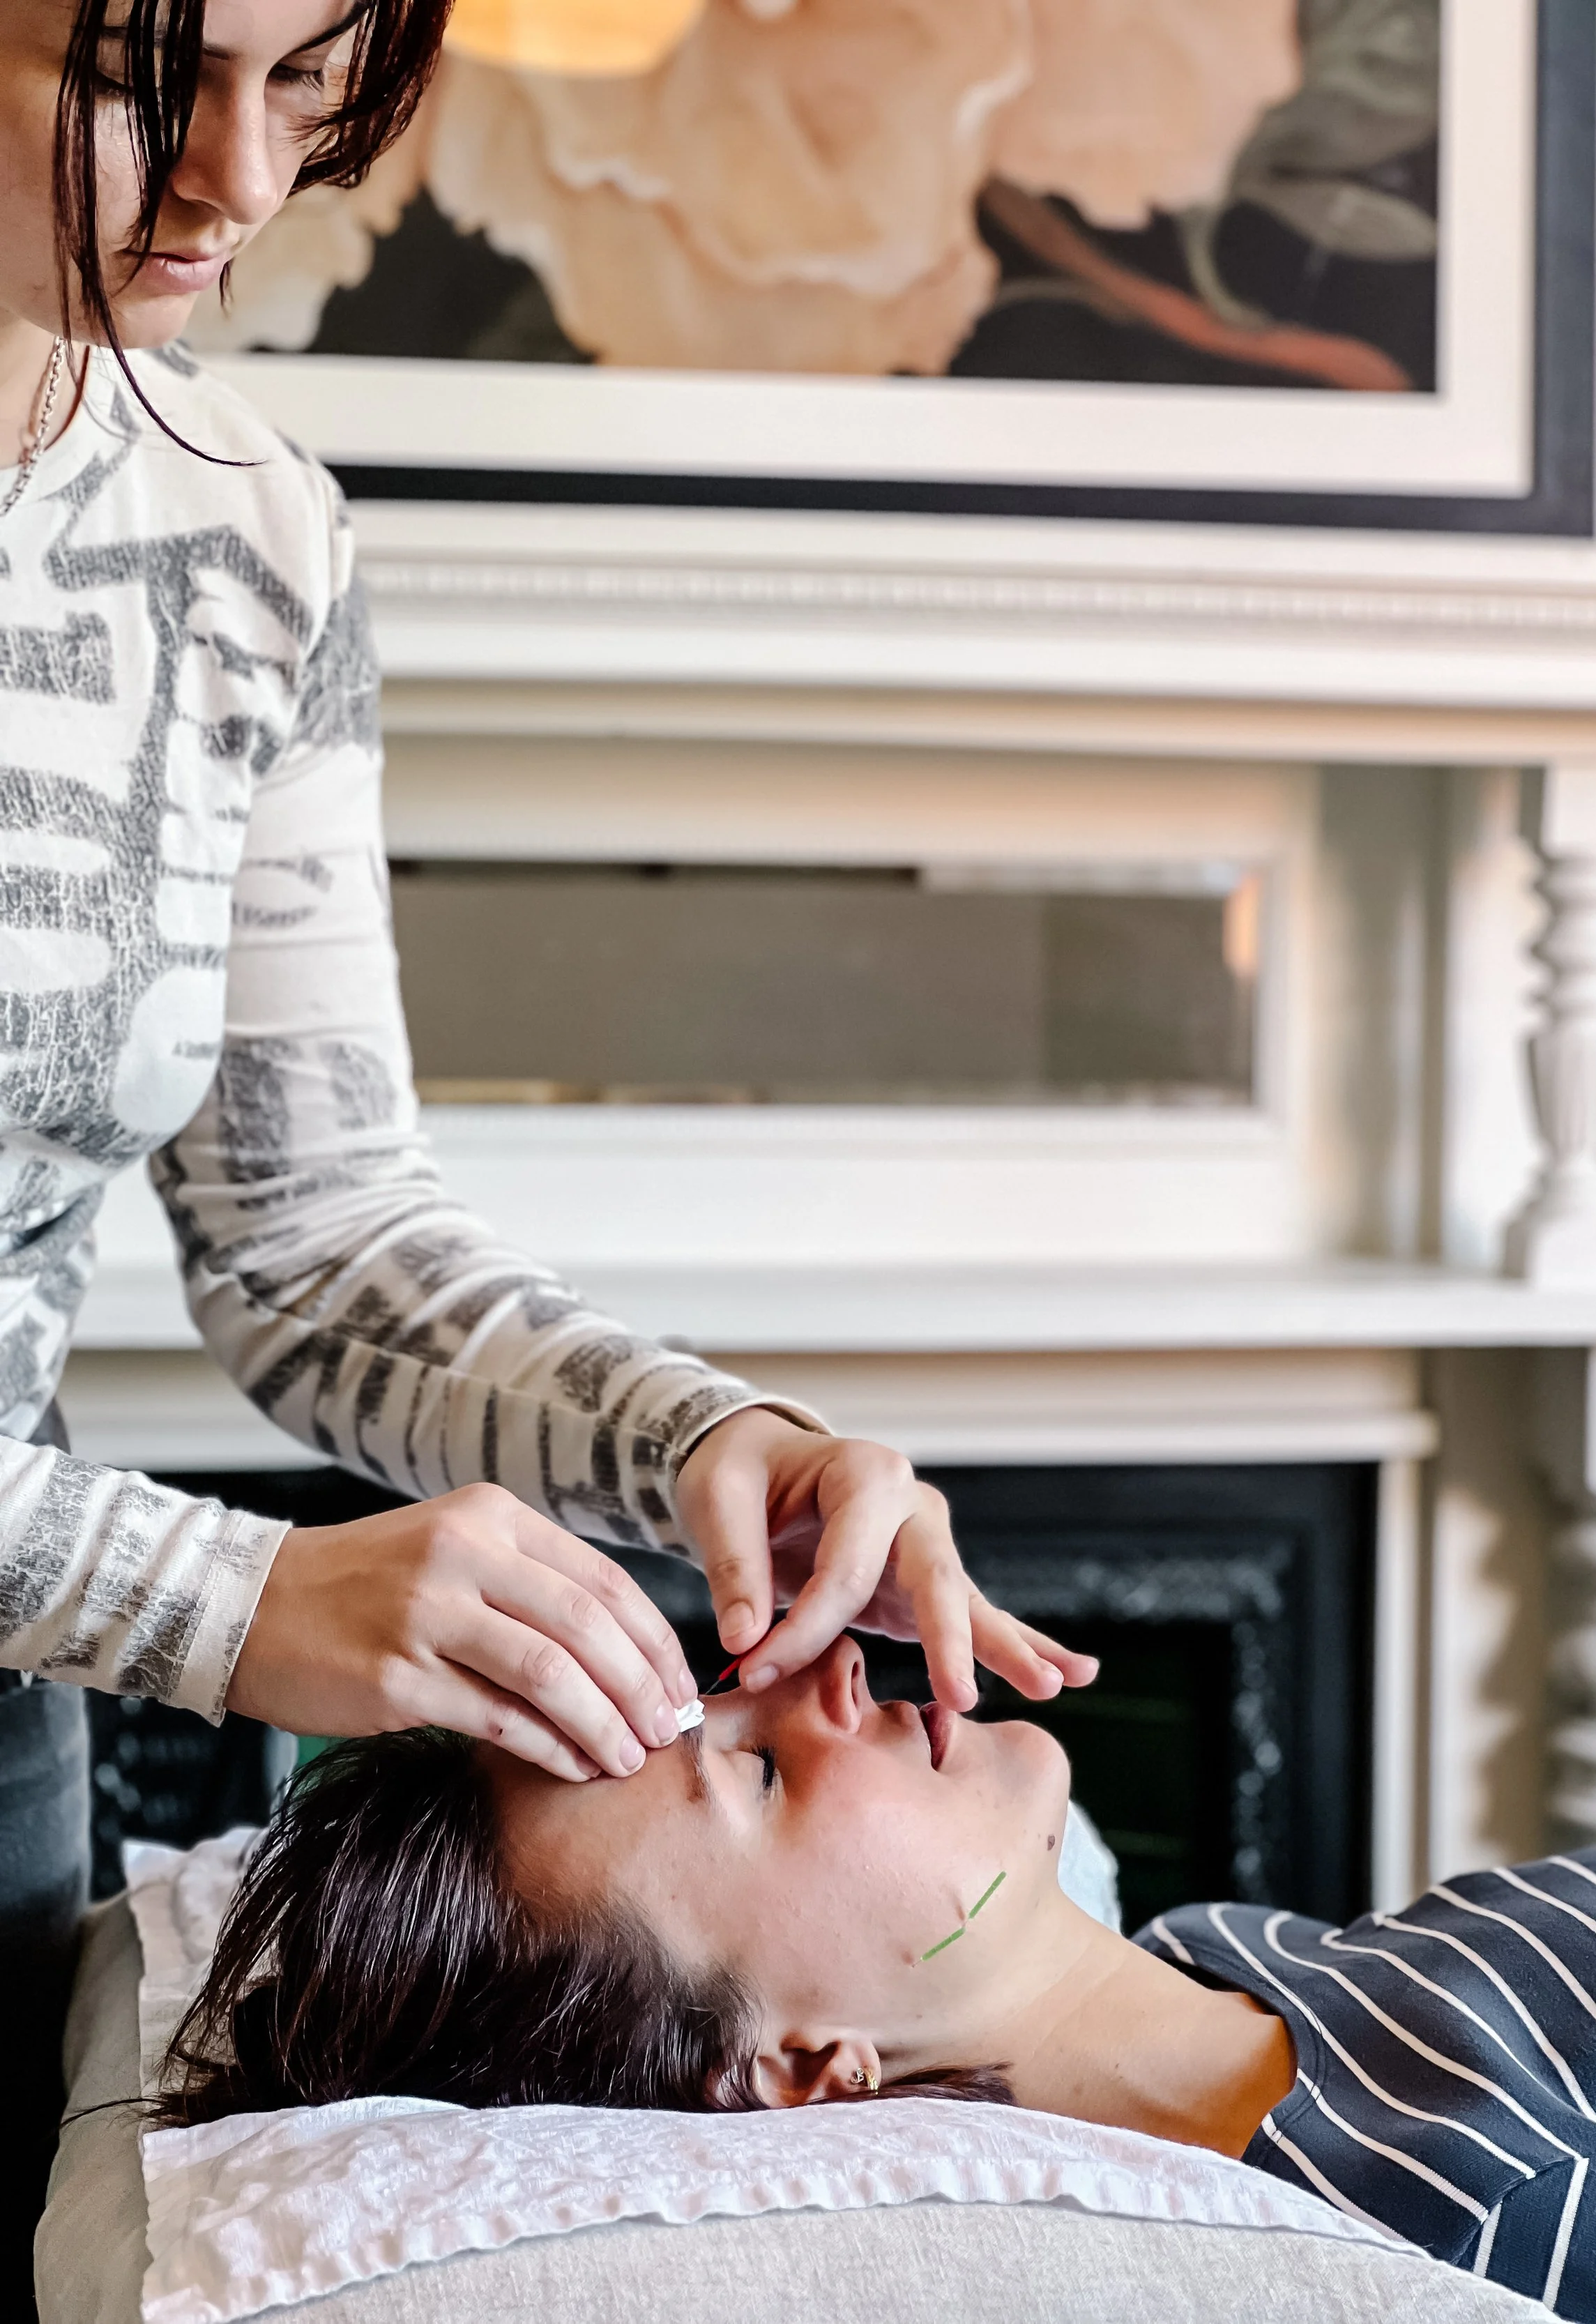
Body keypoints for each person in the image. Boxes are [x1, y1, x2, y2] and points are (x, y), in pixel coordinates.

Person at [0, 0, 1095, 2298]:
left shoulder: (247, 536)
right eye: (131, 78)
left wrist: (706, 1433)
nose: (234, 177)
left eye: (304, 79)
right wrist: (236, 1602)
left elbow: (314, 1231)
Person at [164, 1640, 1596, 2324]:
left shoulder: (1228, 1962)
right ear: (799, 2067)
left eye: (727, 1687)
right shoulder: (1482, 2206)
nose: (823, 1669)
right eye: (760, 1770)